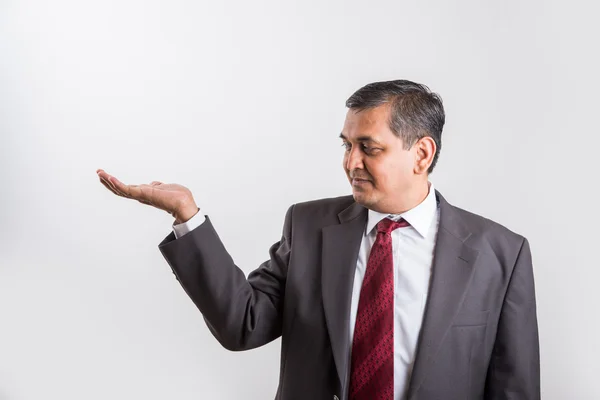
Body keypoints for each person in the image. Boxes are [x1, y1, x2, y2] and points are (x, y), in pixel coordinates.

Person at [96, 80, 540, 400]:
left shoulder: (498, 253)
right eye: (346, 145)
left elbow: (514, 387)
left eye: (370, 147)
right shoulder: (309, 227)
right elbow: (243, 324)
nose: (351, 162)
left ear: (421, 154)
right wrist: (187, 216)